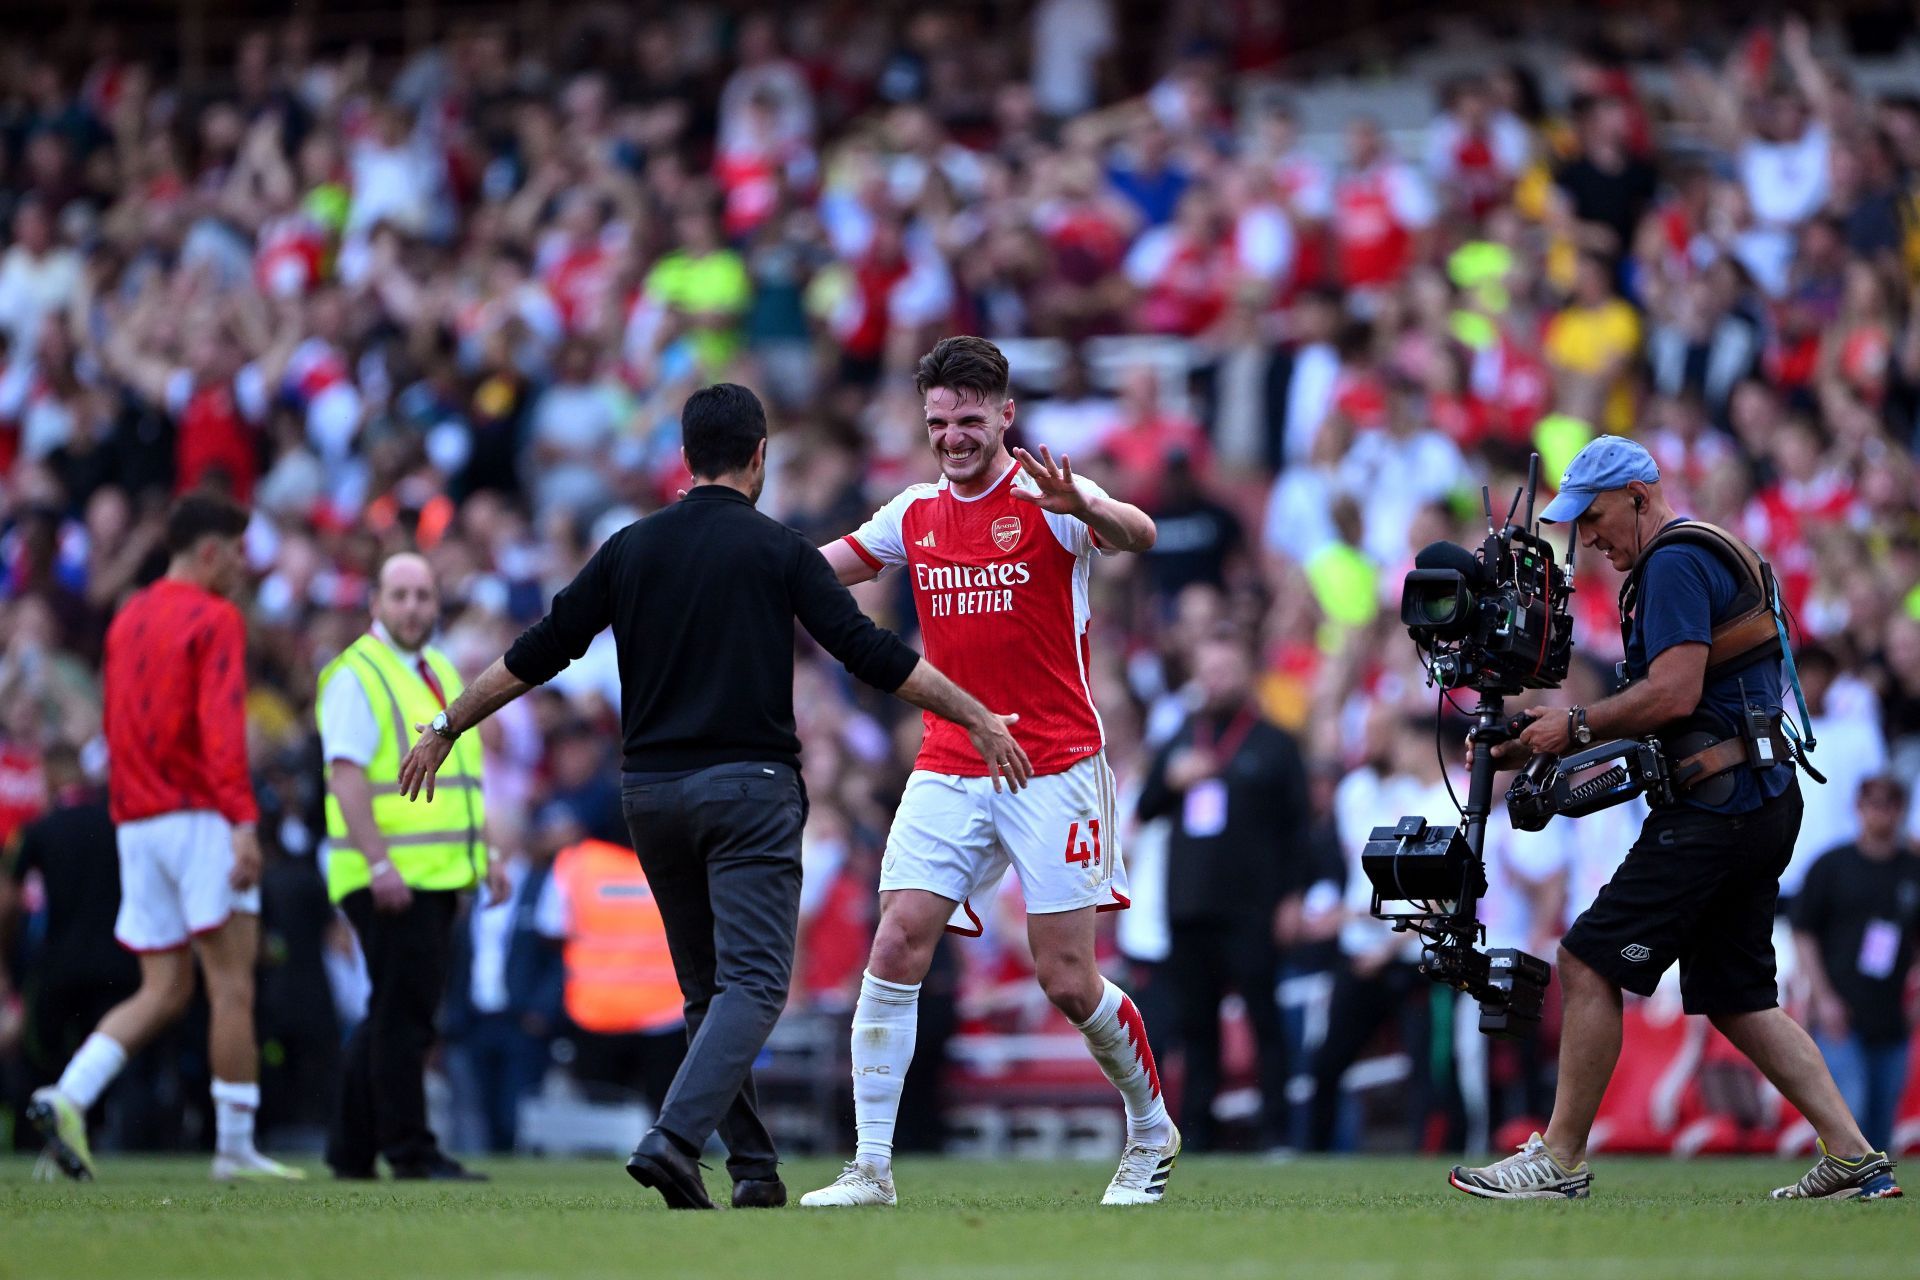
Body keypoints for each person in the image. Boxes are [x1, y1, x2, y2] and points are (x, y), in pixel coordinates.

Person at [396, 381, 1026, 1211]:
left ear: (685, 459)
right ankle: (675, 1137)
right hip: (750, 792)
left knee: (707, 991)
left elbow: (540, 649)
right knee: (758, 984)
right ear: (759, 456)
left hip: (650, 798)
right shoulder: (778, 550)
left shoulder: (628, 548)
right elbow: (869, 653)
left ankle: (755, 1169)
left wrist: (446, 722)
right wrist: (974, 711)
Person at [1450, 436, 1900, 1201]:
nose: (1587, 539)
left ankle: (1558, 1160)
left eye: (1592, 518)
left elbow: (1674, 695)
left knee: (1586, 962)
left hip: (1717, 805)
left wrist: (1578, 726)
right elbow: (1673, 699)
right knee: (1737, 994)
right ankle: (1857, 1156)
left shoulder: (1671, 563)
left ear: (1637, 493)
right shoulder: (1701, 550)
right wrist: (1545, 738)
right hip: (1757, 795)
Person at [805, 335, 1175, 1209]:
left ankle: (1153, 1129)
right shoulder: (913, 514)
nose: (953, 438)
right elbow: (820, 571)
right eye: (938, 422)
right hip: (949, 760)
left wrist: (1084, 504)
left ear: (1006, 413)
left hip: (1053, 764)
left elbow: (1141, 534)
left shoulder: (1050, 496)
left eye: (970, 420)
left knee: (1066, 978)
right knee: (896, 938)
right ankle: (870, 1169)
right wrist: (734, 567)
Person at [29, 494, 301, 1182]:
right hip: (199, 816)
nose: (244, 567)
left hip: (137, 820)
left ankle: (67, 1096)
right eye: (238, 553)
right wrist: (243, 822)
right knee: (231, 984)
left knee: (164, 988)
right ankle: (234, 1151)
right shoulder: (215, 617)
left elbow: (115, 726)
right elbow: (219, 730)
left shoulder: (128, 616)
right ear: (210, 552)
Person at [318, 553, 504, 1181]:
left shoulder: (439, 669)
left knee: (394, 1013)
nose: (413, 607)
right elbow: (344, 778)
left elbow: (466, 780)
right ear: (374, 602)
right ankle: (410, 1150)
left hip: (436, 873)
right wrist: (377, 863)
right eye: (399, 595)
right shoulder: (358, 673)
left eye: (423, 595)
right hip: (391, 874)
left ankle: (350, 1150)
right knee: (406, 1019)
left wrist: (490, 855)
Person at [1136, 631, 1308, 1150]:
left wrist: (1292, 898)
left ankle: (1276, 1133)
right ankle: (1200, 1138)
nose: (1215, 683)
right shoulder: (1182, 737)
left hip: (1252, 907)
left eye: (1225, 672)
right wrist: (1172, 780)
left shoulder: (1276, 742)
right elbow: (1144, 808)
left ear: (1246, 676)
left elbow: (1300, 829)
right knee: (1196, 1028)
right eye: (1207, 673)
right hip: (1189, 907)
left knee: (1263, 1020)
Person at [1791, 775, 1920, 1154]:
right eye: (1873, 804)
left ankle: (1873, 1194)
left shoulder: (1911, 870)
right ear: (1858, 807)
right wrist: (1822, 996)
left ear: (1901, 810)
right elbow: (1803, 932)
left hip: (1892, 1012)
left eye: (1890, 804)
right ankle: (1840, 1180)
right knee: (1851, 1106)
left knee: (1881, 1122)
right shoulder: (1832, 866)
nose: (1881, 814)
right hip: (1840, 1011)